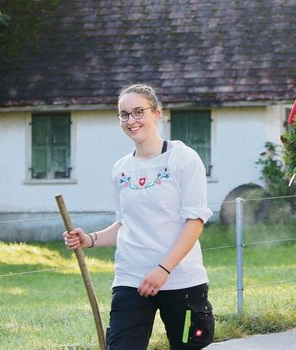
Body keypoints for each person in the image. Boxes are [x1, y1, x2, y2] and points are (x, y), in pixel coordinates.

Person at [63, 83, 214, 349]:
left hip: (182, 283)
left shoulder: (184, 159)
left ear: (157, 113)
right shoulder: (121, 169)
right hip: (131, 280)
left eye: (138, 112)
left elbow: (194, 222)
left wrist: (162, 270)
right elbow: (124, 224)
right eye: (124, 114)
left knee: (187, 345)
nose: (131, 120)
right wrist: (89, 239)